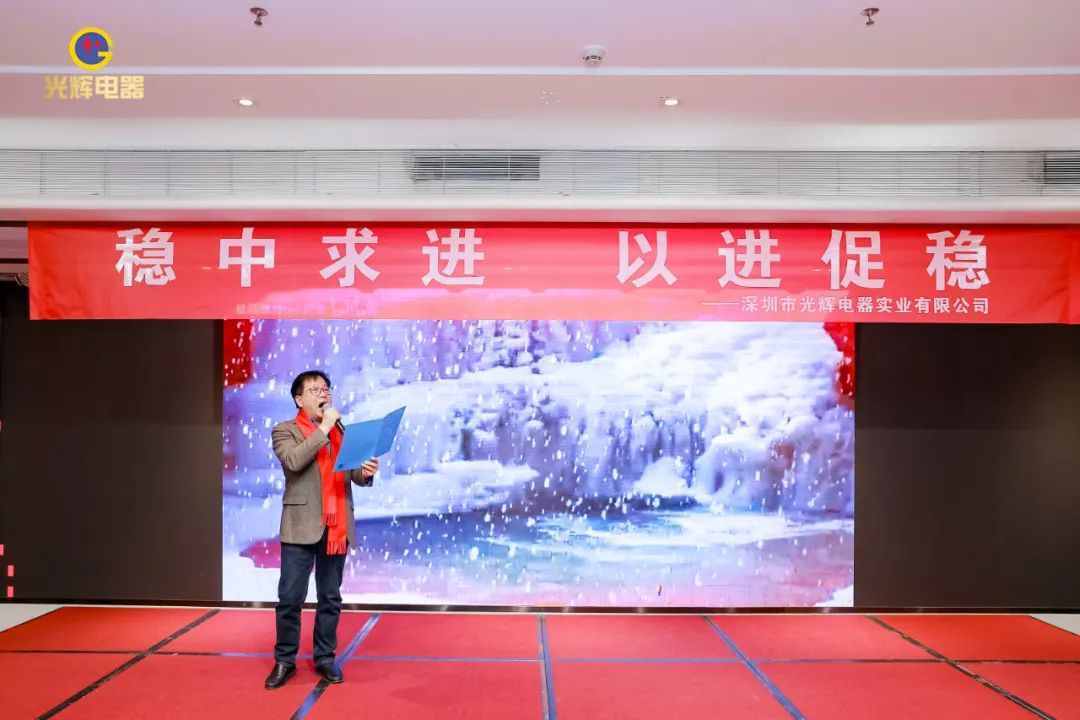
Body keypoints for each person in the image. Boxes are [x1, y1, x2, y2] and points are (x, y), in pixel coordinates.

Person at [264, 370, 378, 690]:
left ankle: (325, 657)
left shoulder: (344, 433)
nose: (323, 394)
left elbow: (353, 475)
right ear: (299, 399)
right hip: (301, 524)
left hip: (336, 524)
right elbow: (294, 461)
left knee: (330, 597)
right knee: (290, 597)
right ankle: (285, 660)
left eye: (326, 389)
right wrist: (324, 428)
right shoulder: (284, 430)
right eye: (314, 390)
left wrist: (366, 472)